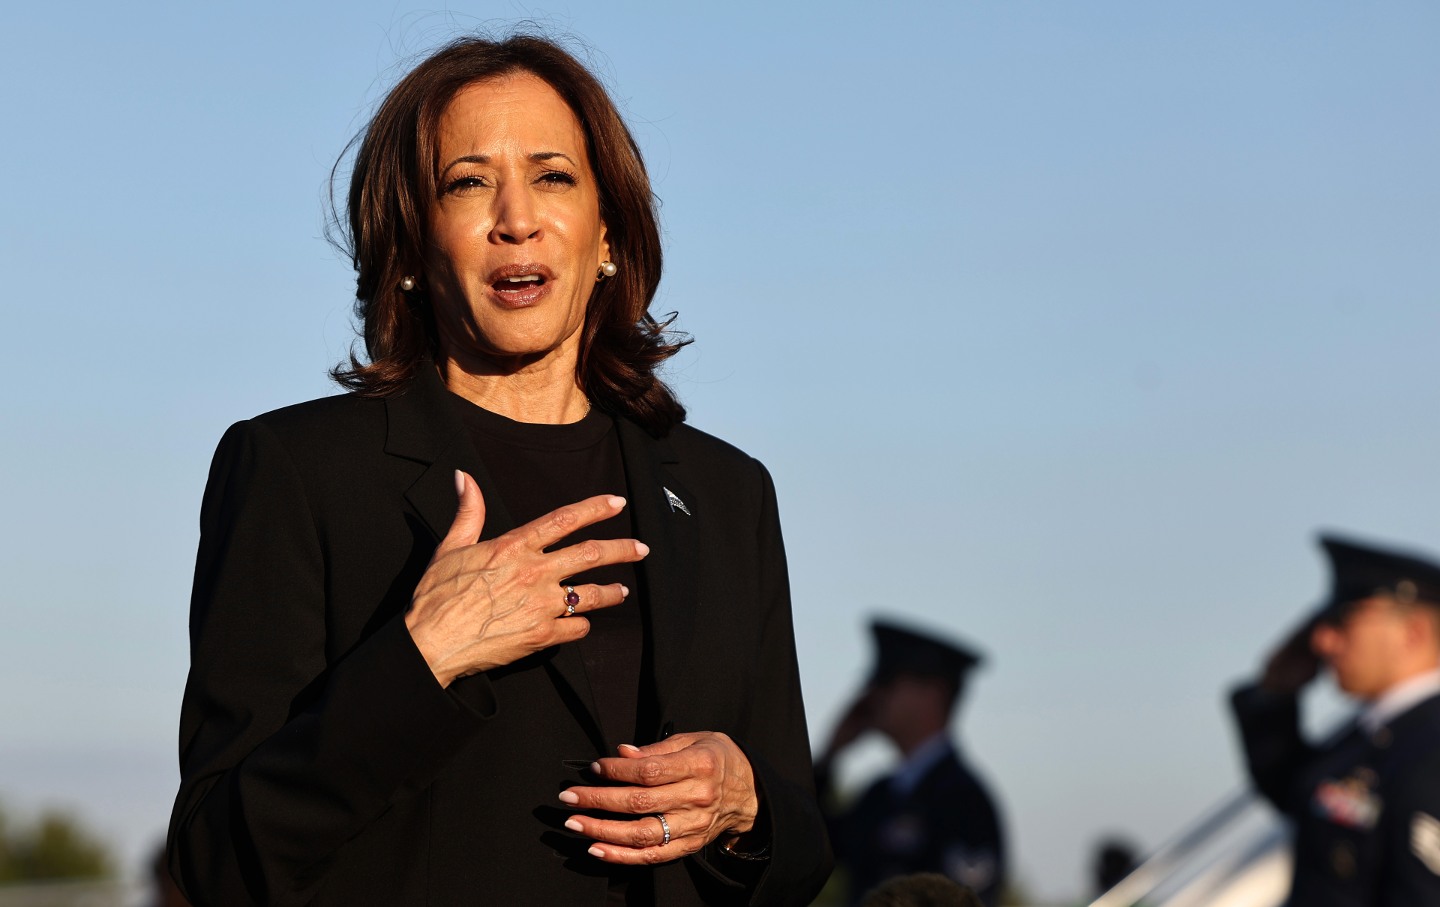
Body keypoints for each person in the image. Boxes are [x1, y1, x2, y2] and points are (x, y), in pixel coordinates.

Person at [166, 34, 831, 906]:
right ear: (408, 250)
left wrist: (746, 801)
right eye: (468, 181)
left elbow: (802, 852)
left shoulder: (727, 491)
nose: (516, 216)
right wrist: (421, 656)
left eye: (553, 176)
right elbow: (218, 858)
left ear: (608, 235)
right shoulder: (296, 470)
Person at [1230, 533, 1440, 906]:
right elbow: (1297, 792)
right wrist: (1274, 695)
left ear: (1413, 633)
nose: (1322, 642)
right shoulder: (1372, 737)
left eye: (1343, 623)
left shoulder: (1427, 746)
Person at [816, 620, 1005, 907]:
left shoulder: (965, 801)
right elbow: (811, 848)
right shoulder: (879, 796)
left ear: (933, 693)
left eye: (887, 682)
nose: (871, 696)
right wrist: (829, 756)